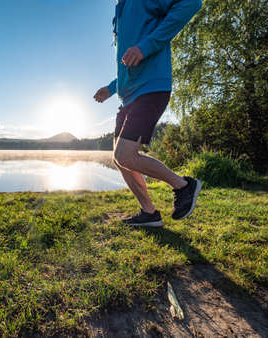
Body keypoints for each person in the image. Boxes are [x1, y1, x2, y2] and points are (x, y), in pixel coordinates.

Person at [94, 0, 203, 227]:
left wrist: (146, 46)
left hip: (151, 87)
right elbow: (128, 63)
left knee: (125, 155)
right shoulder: (119, 11)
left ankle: (183, 185)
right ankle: (149, 213)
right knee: (119, 159)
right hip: (128, 97)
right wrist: (111, 88)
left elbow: (192, 3)